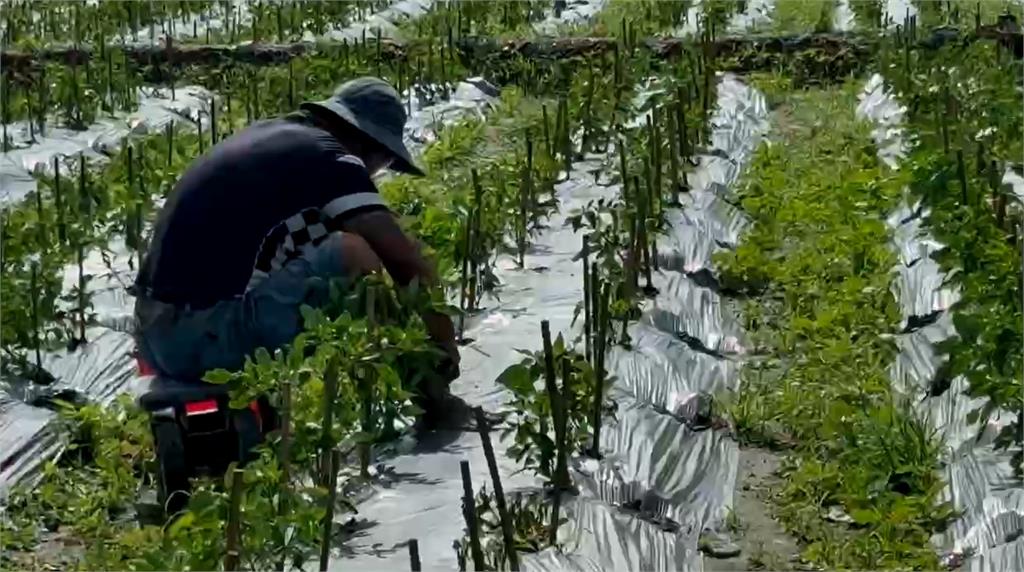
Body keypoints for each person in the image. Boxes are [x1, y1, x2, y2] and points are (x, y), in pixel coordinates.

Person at [131, 77, 466, 428]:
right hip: (205, 335)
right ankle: (429, 396)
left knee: (337, 245)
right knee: (355, 254)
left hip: (154, 337)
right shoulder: (330, 155)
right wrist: (444, 345)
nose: (376, 174)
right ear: (370, 143)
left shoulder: (277, 141)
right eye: (383, 162)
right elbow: (403, 261)